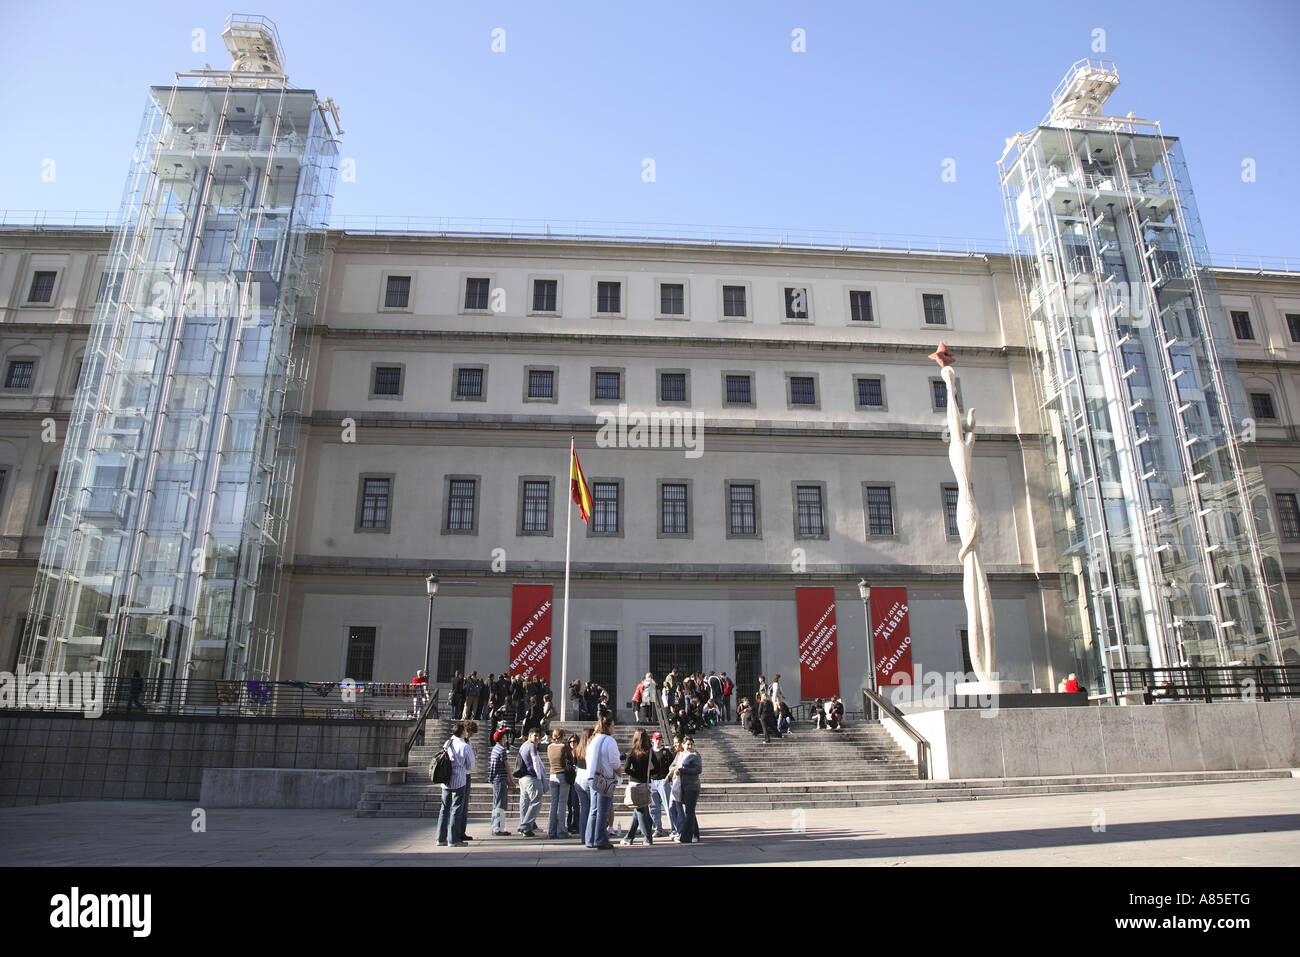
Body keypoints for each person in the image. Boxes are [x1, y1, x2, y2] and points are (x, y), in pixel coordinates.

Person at [436, 721, 475, 847]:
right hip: (459, 779)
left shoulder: (448, 742)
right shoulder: (465, 746)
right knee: (456, 809)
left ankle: (441, 838)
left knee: (444, 809)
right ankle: (453, 839)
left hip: (446, 779)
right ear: (462, 732)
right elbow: (471, 765)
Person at [585, 714, 620, 849]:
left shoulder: (593, 740)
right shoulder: (609, 740)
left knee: (593, 809)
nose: (614, 728)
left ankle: (590, 839)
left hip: (592, 776)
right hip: (604, 777)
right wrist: (619, 772)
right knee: (603, 810)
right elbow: (614, 762)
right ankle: (601, 839)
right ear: (608, 727)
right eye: (613, 725)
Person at [619, 729, 656, 846]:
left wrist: (635, 775)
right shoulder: (649, 752)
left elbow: (626, 769)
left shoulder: (632, 753)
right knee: (639, 810)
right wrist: (647, 774)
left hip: (635, 784)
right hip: (645, 783)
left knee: (640, 811)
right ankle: (629, 837)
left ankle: (648, 838)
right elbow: (657, 767)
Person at [516, 728, 547, 836]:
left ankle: (526, 827)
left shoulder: (523, 745)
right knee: (536, 801)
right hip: (531, 777)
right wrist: (539, 777)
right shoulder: (531, 746)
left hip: (523, 778)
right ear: (529, 736)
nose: (537, 738)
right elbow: (535, 762)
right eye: (535, 736)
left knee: (525, 802)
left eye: (538, 736)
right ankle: (525, 825)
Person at [546, 727, 573, 839]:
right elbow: (571, 759)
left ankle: (551, 830)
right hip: (562, 775)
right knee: (562, 803)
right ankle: (561, 830)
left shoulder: (549, 747)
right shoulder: (564, 747)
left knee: (553, 804)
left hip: (552, 775)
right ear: (562, 736)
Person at [675, 736, 702, 843]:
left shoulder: (694, 756)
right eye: (687, 744)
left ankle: (687, 836)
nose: (689, 746)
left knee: (689, 812)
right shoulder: (682, 755)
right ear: (683, 745)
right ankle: (695, 834)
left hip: (692, 786)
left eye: (691, 744)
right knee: (690, 811)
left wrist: (683, 770)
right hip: (684, 785)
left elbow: (698, 769)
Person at [648, 731, 672, 838]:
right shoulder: (649, 752)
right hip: (652, 781)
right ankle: (657, 828)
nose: (658, 741)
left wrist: (668, 777)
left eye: (660, 739)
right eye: (656, 739)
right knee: (653, 807)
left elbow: (673, 765)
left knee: (668, 806)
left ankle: (673, 828)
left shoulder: (666, 752)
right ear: (652, 740)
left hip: (663, 780)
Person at [572, 730, 592, 842]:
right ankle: (591, 835)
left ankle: (583, 836)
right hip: (588, 778)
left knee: (584, 808)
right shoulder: (590, 749)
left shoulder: (577, 749)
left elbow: (575, 763)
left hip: (579, 779)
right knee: (593, 808)